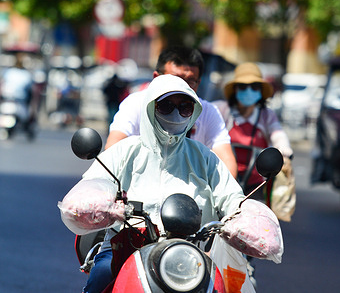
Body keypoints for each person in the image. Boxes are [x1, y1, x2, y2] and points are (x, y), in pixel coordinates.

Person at [64, 75, 246, 293]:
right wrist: (102, 205)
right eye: (166, 106)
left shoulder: (204, 157)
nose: (176, 114)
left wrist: (245, 217)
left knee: (220, 286)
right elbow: (95, 183)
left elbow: (231, 196)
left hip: (188, 253)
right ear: (151, 108)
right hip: (124, 245)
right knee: (101, 275)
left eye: (185, 107)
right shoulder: (125, 150)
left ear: (194, 112)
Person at [105, 46, 238, 178]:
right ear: (156, 77)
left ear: (199, 83)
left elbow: (226, 161)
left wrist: (226, 194)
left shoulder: (208, 111)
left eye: (190, 82)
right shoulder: (135, 103)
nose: (182, 88)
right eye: (165, 107)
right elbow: (113, 149)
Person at [213, 62, 295, 222]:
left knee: (257, 222)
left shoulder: (266, 115)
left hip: (255, 183)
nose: (248, 91)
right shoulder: (222, 110)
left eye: (254, 87)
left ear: (260, 92)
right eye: (243, 87)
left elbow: (278, 134)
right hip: (225, 179)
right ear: (235, 90)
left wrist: (284, 150)